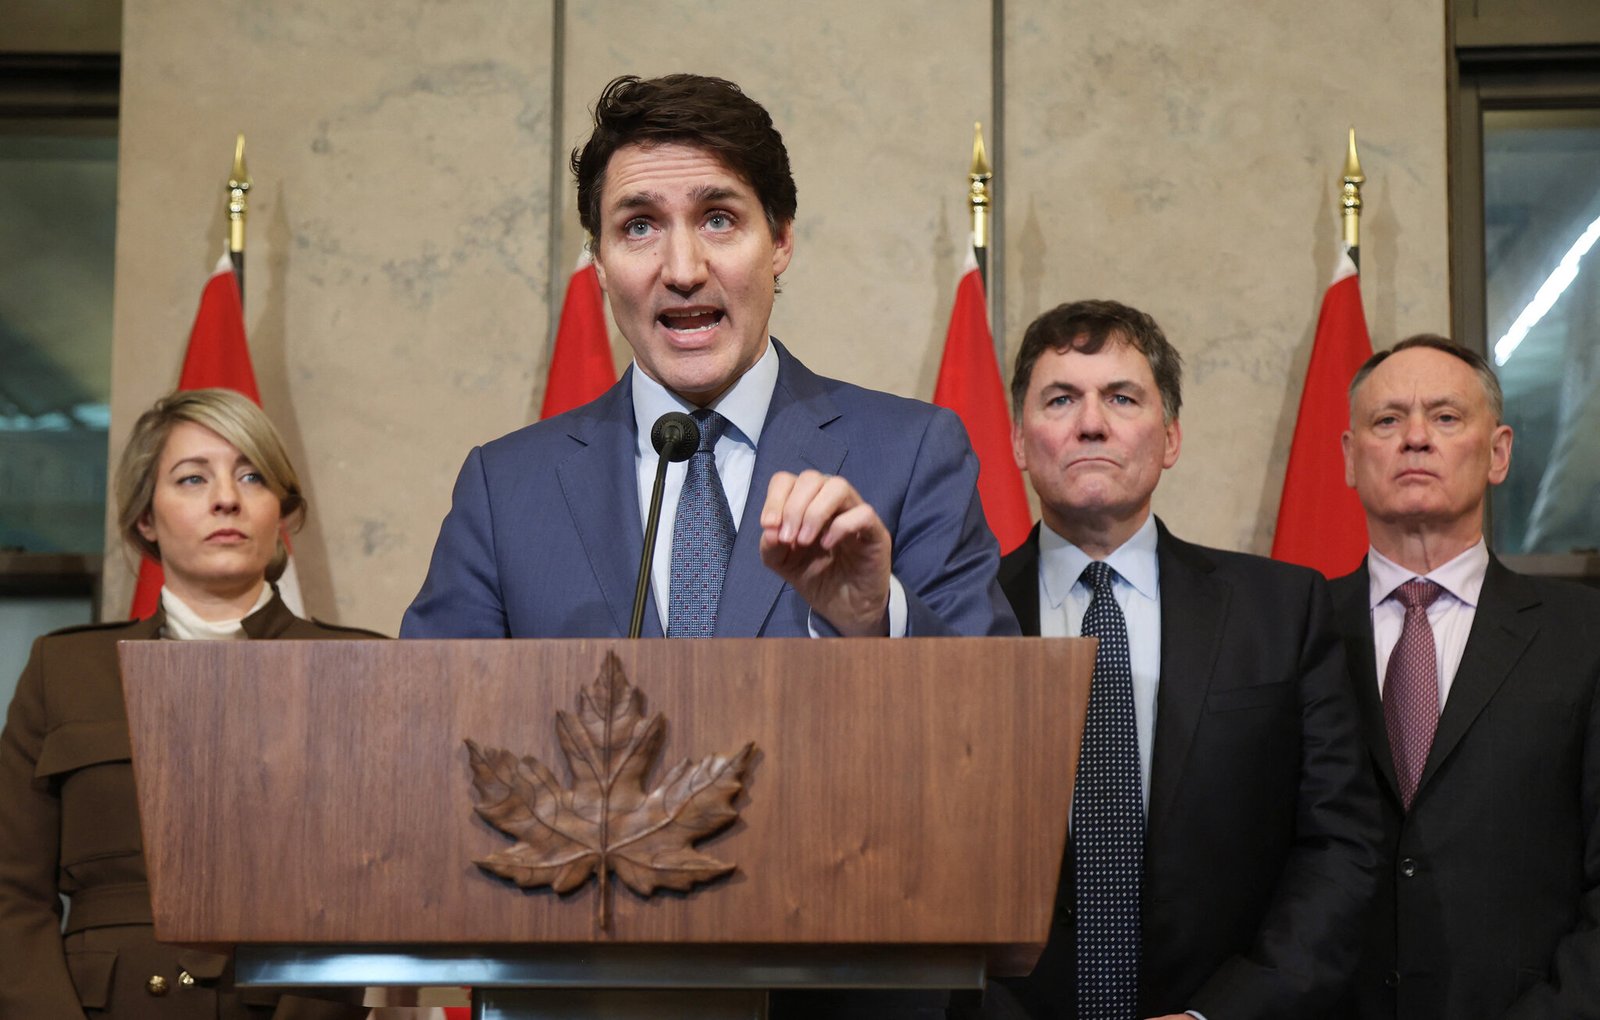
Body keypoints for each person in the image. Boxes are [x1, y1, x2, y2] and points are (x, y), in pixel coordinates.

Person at [401, 73, 1015, 641]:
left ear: (780, 240)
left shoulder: (912, 455)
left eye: (718, 219)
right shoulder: (504, 490)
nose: (683, 270)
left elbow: (994, 705)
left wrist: (878, 617)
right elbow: (430, 706)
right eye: (639, 226)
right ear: (600, 263)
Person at [986, 300, 1380, 1019]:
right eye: (1061, 399)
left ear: (1169, 437)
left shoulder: (1282, 610)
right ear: (1018, 439)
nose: (1091, 423)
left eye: (1122, 397)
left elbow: (1340, 845)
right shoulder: (958, 618)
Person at [0, 388, 378, 1019]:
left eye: (252, 476)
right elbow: (11, 892)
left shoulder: (361, 669)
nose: (226, 498)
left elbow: (377, 885)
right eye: (192, 478)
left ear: (280, 511)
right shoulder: (63, 670)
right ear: (145, 519)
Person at [1332, 335, 1600, 1019]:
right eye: (1387, 420)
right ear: (1350, 458)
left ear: (1499, 452)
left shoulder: (1586, 635)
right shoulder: (1291, 631)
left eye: (1446, 417)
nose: (1416, 438)